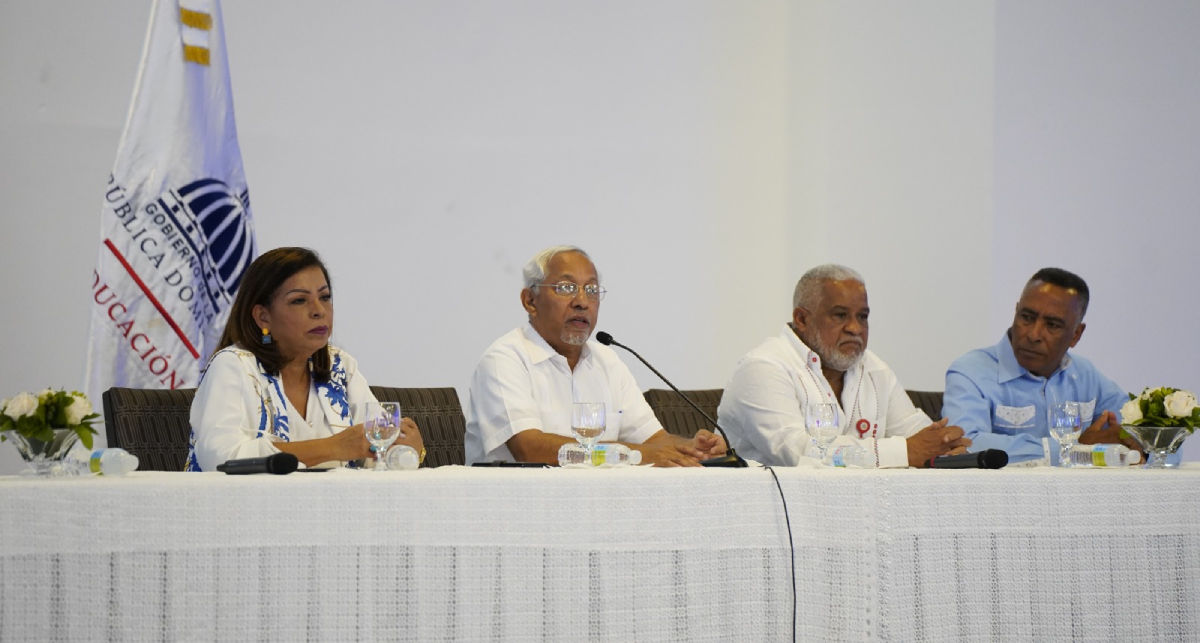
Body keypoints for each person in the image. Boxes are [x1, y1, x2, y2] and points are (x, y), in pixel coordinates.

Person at [464, 245, 727, 466]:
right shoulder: (504, 360)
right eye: (566, 288)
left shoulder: (607, 361)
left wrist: (692, 447)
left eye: (591, 291)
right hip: (518, 509)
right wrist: (636, 455)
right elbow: (529, 448)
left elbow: (653, 440)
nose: (582, 301)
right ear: (530, 301)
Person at [186, 247, 424, 471]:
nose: (318, 310)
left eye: (325, 297)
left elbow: (376, 452)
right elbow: (219, 458)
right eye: (299, 300)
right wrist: (333, 447)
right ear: (263, 316)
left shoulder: (340, 366)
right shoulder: (233, 365)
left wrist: (404, 449)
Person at [717, 264, 970, 467]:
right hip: (772, 515)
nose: (855, 328)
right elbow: (800, 454)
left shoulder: (874, 369)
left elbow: (920, 437)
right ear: (802, 319)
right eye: (840, 315)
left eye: (862, 317)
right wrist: (905, 452)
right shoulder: (764, 368)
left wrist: (945, 444)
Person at [943, 267, 1140, 464]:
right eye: (1027, 317)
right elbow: (963, 446)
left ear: (1076, 335)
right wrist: (1074, 449)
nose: (1034, 335)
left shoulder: (1085, 374)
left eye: (1052, 325)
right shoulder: (971, 372)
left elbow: (1139, 431)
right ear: (1016, 311)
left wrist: (1133, 443)